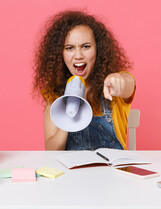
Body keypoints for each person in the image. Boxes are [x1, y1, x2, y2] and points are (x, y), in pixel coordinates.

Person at [32, 10, 136, 151]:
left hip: (111, 171)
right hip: (74, 172)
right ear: (60, 54)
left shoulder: (113, 89)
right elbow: (51, 150)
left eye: (86, 47)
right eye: (70, 48)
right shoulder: (55, 94)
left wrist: (118, 80)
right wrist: (66, 117)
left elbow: (128, 83)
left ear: (98, 49)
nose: (78, 55)